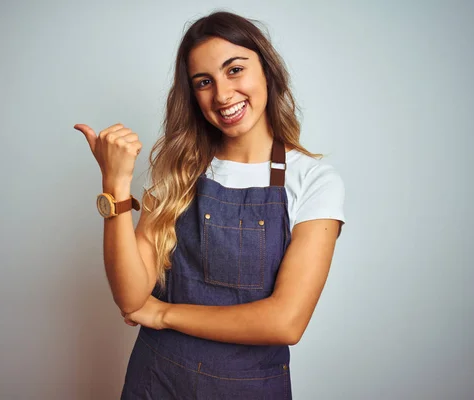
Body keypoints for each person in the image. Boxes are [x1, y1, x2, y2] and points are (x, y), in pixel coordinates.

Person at [74, 10, 345, 399]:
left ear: (266, 69)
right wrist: (115, 184)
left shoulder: (315, 181)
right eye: (204, 82)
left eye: (234, 70)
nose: (221, 94)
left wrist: (164, 313)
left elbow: (286, 322)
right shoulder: (177, 169)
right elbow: (132, 297)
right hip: (155, 383)